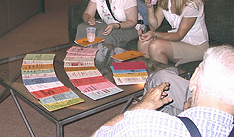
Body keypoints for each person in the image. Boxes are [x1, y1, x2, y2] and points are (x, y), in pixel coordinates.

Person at [91, 45, 234, 137]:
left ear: (195, 78)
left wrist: (142, 107)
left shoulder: (140, 126)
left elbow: (99, 135)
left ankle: (146, 99)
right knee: (162, 76)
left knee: (159, 77)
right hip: (191, 116)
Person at [138, 0, 209, 66]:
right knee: (143, 42)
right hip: (179, 42)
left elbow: (179, 35)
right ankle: (149, 78)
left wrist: (155, 35)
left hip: (196, 46)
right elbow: (154, 25)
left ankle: (164, 78)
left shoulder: (193, 2)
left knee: (155, 45)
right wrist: (150, 8)